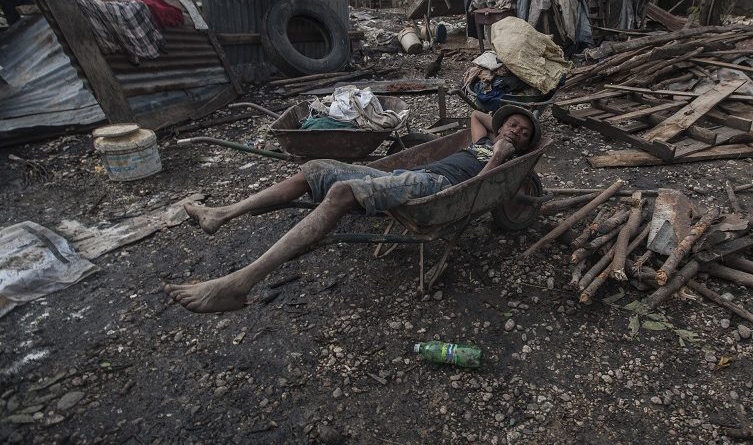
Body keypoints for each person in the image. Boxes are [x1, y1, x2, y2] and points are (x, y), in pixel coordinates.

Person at [166, 106, 542, 313]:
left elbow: (474, 191)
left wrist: (500, 155)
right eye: (512, 125)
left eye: (523, 133)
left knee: (342, 191)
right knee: (315, 168)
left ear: (525, 147)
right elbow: (477, 116)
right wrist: (499, 129)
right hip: (413, 176)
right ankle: (222, 213)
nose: (515, 132)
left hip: (438, 188)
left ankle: (240, 283)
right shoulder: (484, 139)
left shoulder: (504, 161)